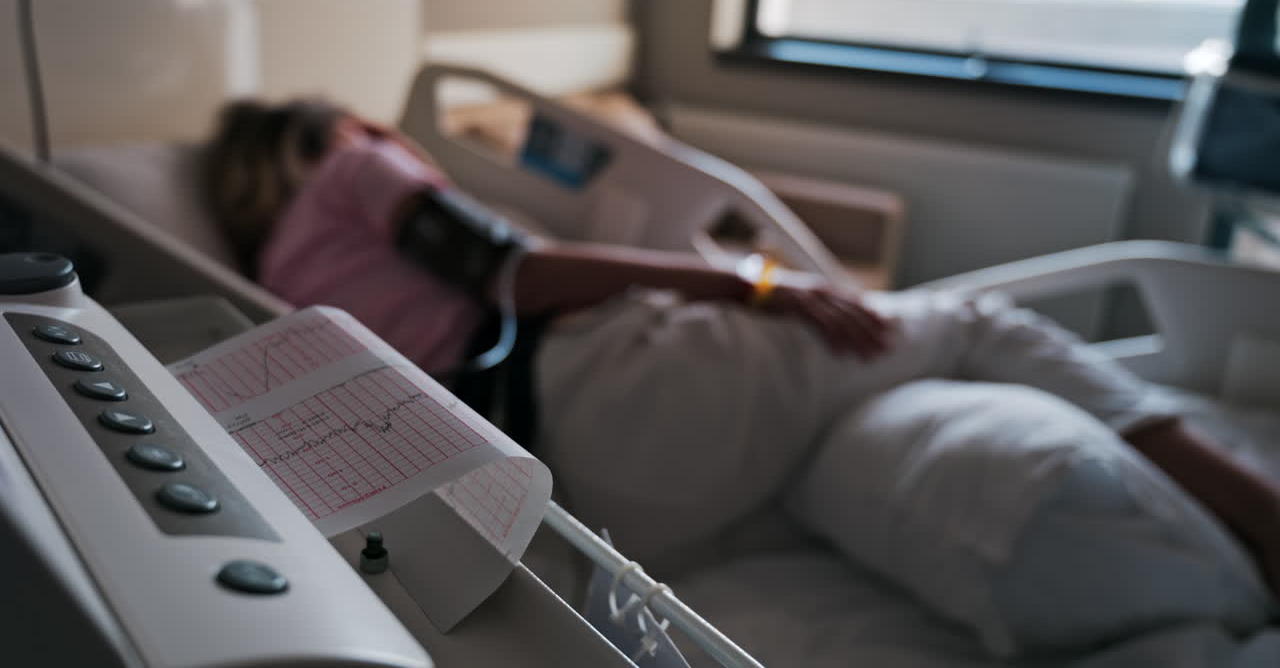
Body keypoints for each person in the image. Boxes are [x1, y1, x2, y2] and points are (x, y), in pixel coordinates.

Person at [201, 97, 1280, 643]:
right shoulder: (353, 163)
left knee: (826, 453)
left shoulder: (273, 277)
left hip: (581, 491)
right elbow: (514, 274)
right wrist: (753, 286)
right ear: (325, 132)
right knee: (974, 318)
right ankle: (1257, 514)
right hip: (622, 387)